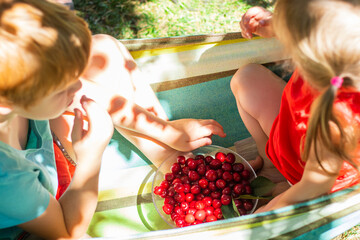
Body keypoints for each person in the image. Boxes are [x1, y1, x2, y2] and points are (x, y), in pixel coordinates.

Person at [0, 0, 226, 239]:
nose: (78, 86)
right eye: (61, 88)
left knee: (103, 48)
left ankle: (176, 168)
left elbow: (83, 91)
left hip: (44, 163)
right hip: (52, 218)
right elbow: (67, 233)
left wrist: (168, 132)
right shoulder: (6, 176)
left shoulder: (13, 85)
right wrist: (90, 157)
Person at [231, 0, 360, 213]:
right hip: (290, 136)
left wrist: (263, 216)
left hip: (312, 181)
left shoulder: (336, 119)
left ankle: (287, 183)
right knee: (246, 78)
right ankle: (271, 165)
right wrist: (273, 24)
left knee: (291, 200)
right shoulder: (341, 48)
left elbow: (313, 187)